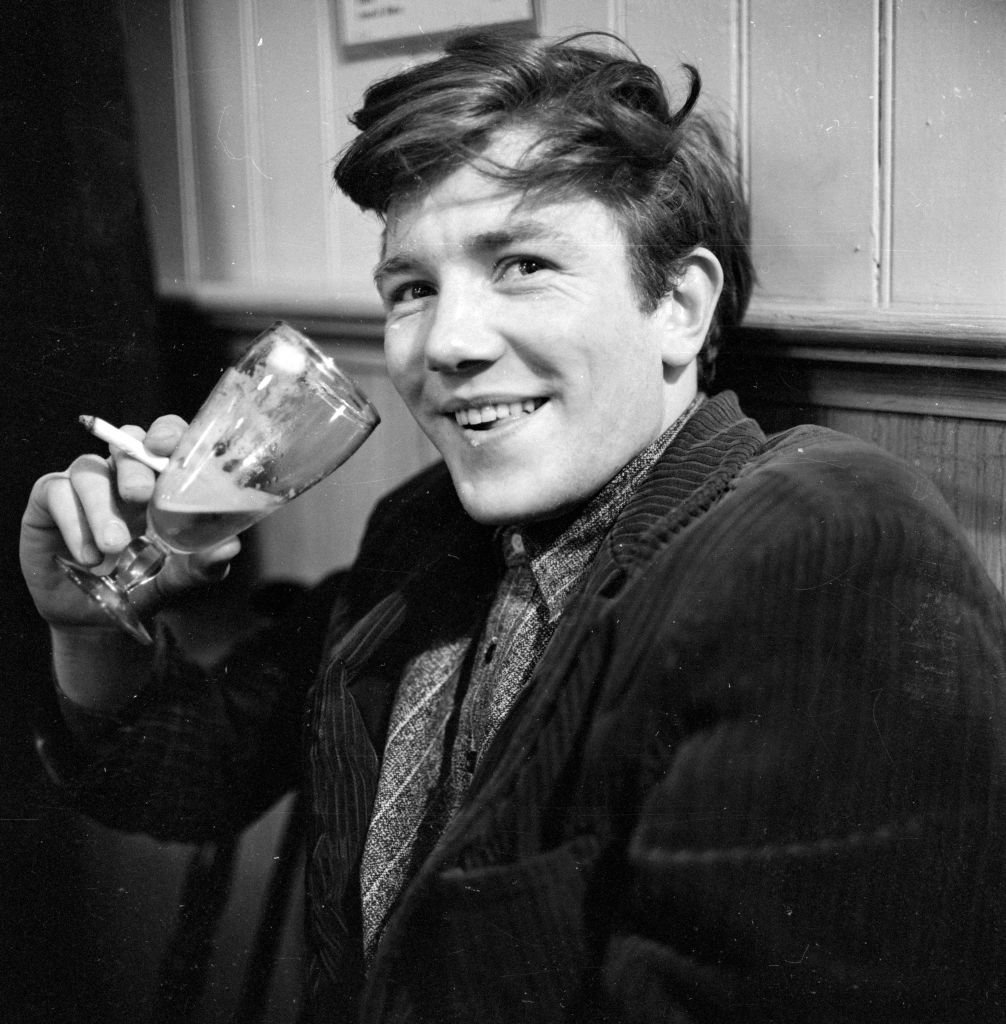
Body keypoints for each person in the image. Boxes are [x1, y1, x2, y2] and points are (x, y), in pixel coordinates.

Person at [19, 29, 1006, 1023]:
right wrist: (92, 620)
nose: (445, 343)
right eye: (412, 288)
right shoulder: (428, 531)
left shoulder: (829, 560)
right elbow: (187, 779)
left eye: (524, 263)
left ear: (678, 305)